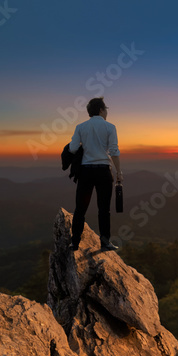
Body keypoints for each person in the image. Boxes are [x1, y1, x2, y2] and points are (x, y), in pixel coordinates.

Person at [68, 97, 122, 251]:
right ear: (100, 110)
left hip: (85, 172)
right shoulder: (110, 127)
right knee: (104, 209)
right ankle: (105, 243)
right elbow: (114, 151)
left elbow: (72, 149)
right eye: (106, 110)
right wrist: (119, 172)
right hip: (103, 172)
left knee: (80, 208)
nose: (106, 113)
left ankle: (75, 243)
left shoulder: (80, 127)